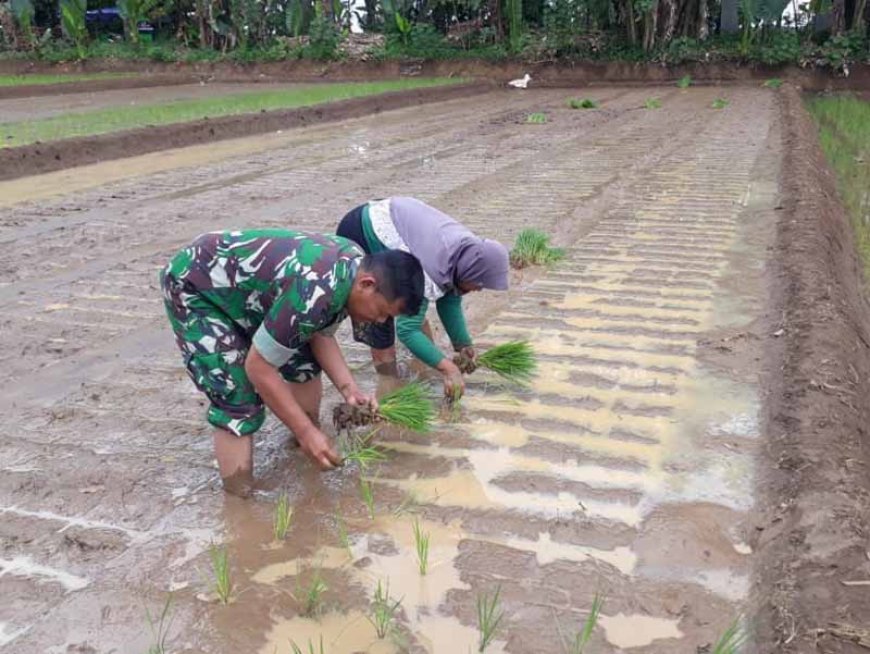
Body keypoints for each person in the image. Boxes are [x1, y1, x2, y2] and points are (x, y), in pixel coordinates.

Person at [160, 229, 424, 495]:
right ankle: (239, 502)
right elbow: (259, 367)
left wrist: (349, 389)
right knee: (237, 396)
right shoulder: (317, 288)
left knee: (304, 362)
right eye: (381, 312)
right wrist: (305, 431)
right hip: (196, 286)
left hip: (250, 292)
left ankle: (302, 451)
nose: (380, 322)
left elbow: (318, 331)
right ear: (367, 284)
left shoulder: (352, 268)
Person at [337, 197, 509, 398]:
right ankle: (390, 387)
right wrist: (448, 368)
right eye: (479, 283)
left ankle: (422, 367)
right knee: (381, 313)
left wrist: (463, 344)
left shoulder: (464, 255)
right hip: (365, 230)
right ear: (470, 271)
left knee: (411, 307)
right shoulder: (433, 264)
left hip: (401, 222)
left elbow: (450, 298)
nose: (479, 290)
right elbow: (407, 331)